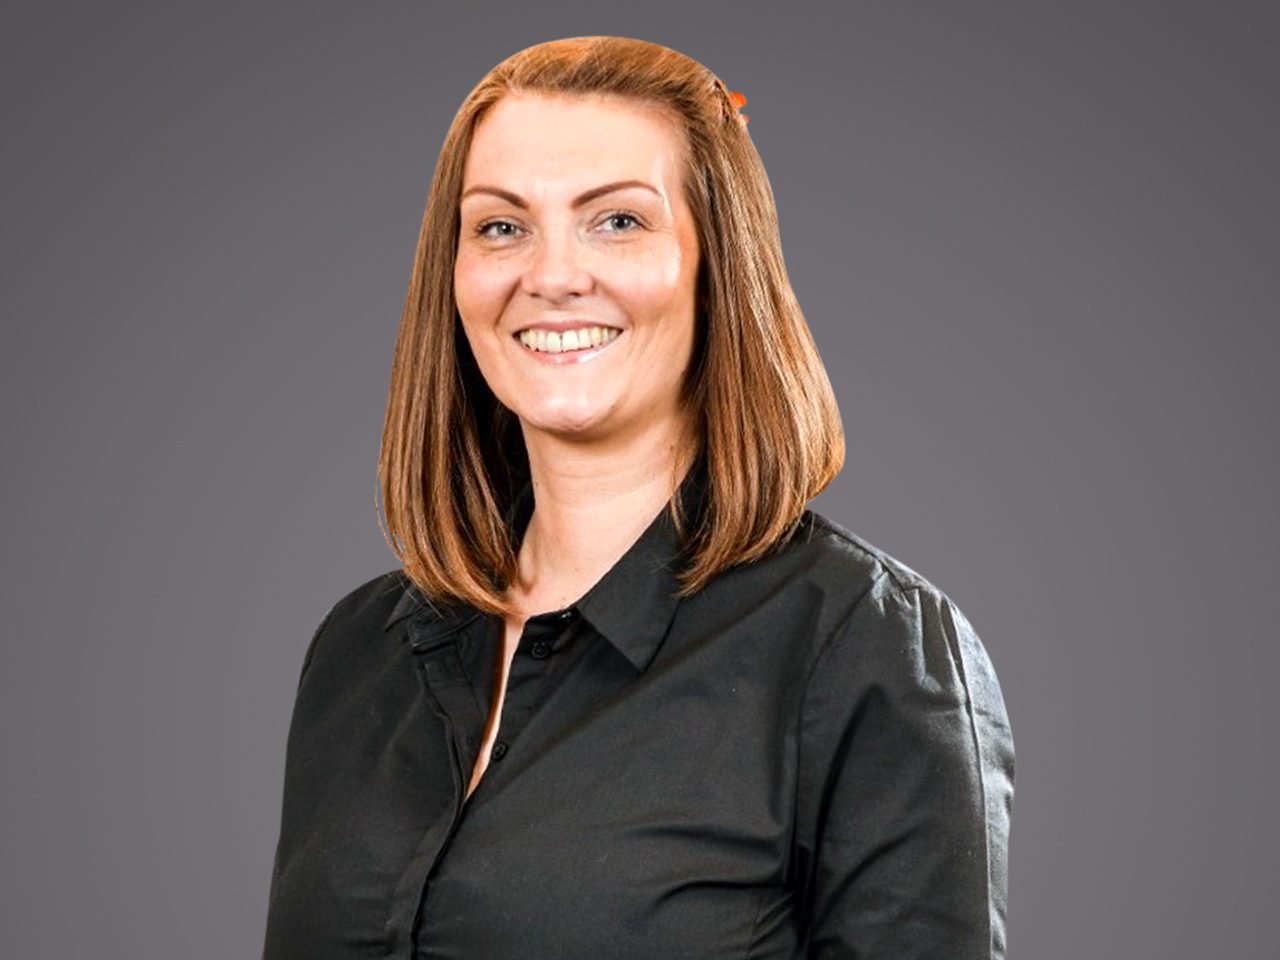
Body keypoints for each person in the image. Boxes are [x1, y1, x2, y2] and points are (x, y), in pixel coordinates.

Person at [262, 35, 1015, 960]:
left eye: (616, 221)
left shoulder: (865, 652)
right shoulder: (356, 653)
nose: (551, 275)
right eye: (501, 226)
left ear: (716, 265)